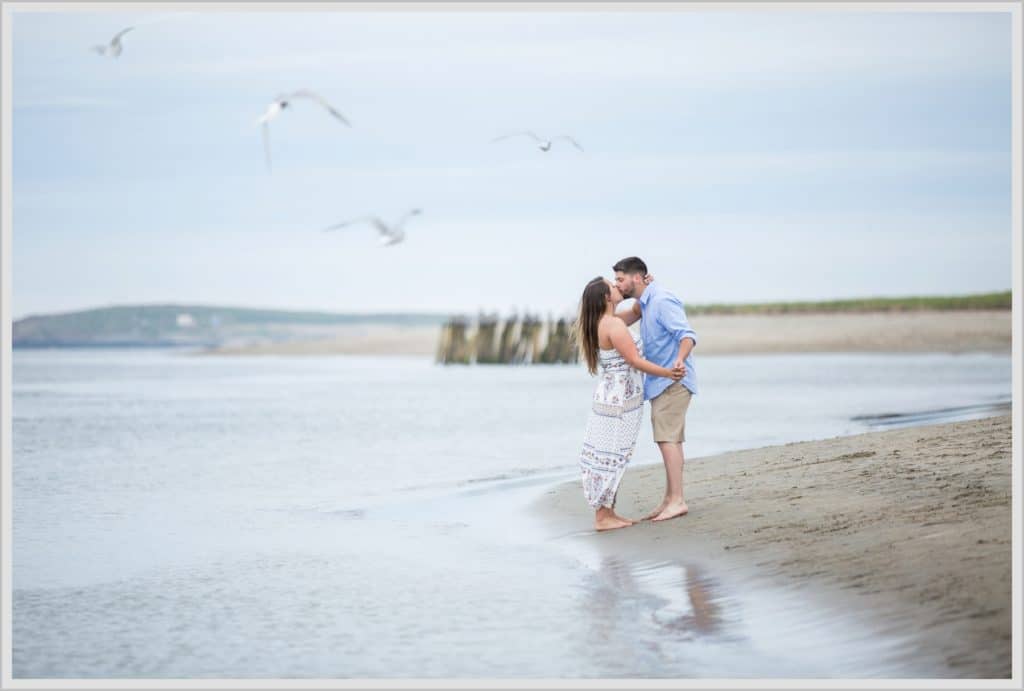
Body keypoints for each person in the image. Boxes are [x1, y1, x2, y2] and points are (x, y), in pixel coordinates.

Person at [573, 277, 683, 531]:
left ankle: (606, 512)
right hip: (620, 399)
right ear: (606, 297)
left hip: (609, 396)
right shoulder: (613, 325)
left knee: (609, 453)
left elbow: (637, 310)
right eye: (613, 286)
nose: (617, 286)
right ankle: (603, 516)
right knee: (614, 453)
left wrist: (645, 288)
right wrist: (667, 373)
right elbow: (634, 360)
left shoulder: (604, 322)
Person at [613, 256, 697, 522]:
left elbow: (687, 335)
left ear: (637, 278)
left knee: (667, 439)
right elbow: (621, 320)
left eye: (620, 279)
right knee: (670, 439)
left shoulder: (661, 300)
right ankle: (671, 498)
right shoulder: (646, 303)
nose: (618, 283)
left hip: (673, 378)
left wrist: (680, 359)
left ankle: (677, 500)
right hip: (662, 381)